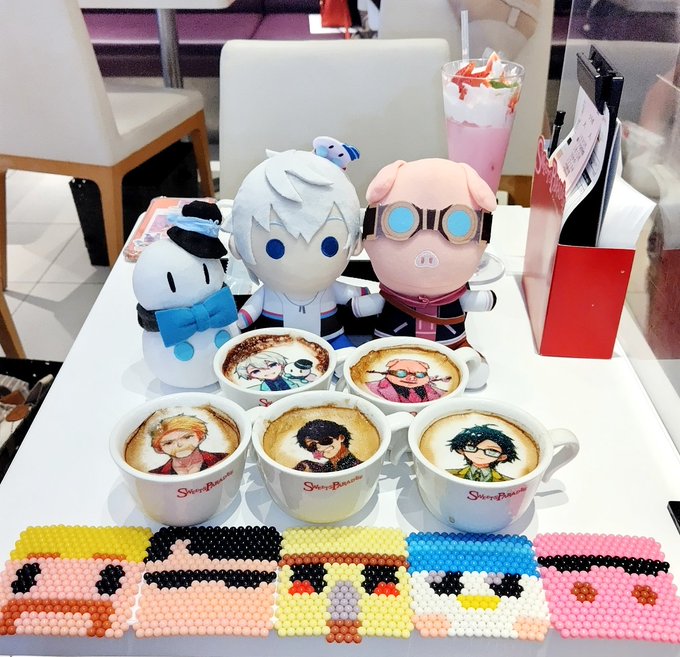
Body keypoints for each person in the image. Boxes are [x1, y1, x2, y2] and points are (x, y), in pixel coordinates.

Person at [229, 149, 368, 348]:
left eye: (329, 247)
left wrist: (369, 296)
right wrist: (239, 321)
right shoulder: (268, 293)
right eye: (275, 248)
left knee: (348, 358)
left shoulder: (330, 288)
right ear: (238, 246)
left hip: (331, 339)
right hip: (275, 344)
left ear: (356, 243)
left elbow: (356, 295)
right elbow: (246, 316)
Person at [149, 415, 226, 475]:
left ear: (201, 437)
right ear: (159, 449)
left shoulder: (223, 458)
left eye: (187, 437)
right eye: (168, 443)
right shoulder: (155, 475)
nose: (179, 444)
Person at [446, 423, 518, 482]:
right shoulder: (449, 474)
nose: (480, 454)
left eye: (491, 451)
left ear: (502, 457)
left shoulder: (507, 482)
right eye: (472, 447)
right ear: (461, 450)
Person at [294, 419, 362, 472]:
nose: (319, 448)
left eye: (325, 441)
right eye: (313, 446)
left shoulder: (357, 466)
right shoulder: (326, 467)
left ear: (341, 438)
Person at [366, 358, 446, 403]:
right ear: (388, 372)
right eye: (401, 373)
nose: (411, 378)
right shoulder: (370, 388)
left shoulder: (439, 393)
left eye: (419, 374)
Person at [235, 351, 303, 392]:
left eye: (272, 365)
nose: (267, 371)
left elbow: (294, 386)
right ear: (250, 376)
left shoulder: (287, 379)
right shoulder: (264, 387)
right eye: (256, 371)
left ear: (281, 365)